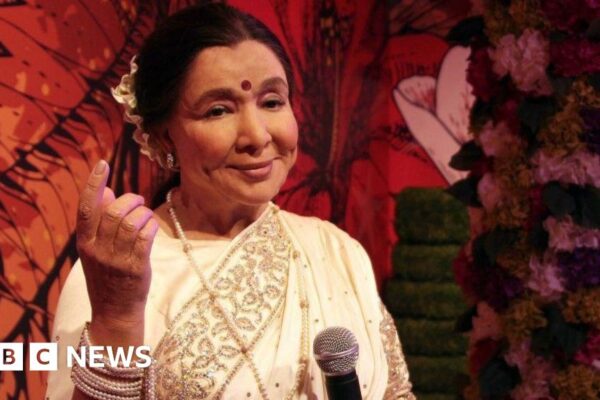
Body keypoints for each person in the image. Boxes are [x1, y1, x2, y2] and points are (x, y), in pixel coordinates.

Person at [46, 3, 414, 399]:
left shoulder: (336, 251)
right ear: (164, 136)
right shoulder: (120, 273)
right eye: (218, 110)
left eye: (272, 102)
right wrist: (117, 318)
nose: (257, 136)